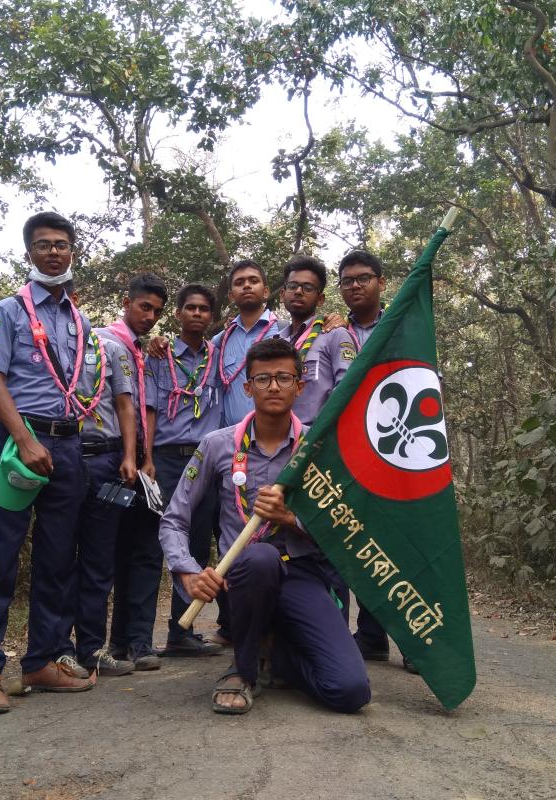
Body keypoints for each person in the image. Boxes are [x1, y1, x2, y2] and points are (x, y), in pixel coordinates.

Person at [158, 338, 371, 715]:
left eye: (284, 378)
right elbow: (174, 519)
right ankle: (243, 668)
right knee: (258, 558)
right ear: (247, 387)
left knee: (349, 690)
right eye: (263, 379)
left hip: (303, 573)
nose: (274, 386)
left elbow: (346, 528)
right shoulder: (218, 445)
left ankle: (276, 655)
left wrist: (291, 519)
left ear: (300, 386)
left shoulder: (318, 449)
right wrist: (188, 572)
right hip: (241, 578)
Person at [0, 211, 94, 714]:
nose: (53, 252)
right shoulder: (9, 310)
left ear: (71, 252)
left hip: (68, 446)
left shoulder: (78, 319)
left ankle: (42, 660)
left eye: (62, 245)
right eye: (43, 245)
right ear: (29, 252)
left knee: (58, 560)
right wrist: (22, 438)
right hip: (21, 444)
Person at [337, 250, 415, 675]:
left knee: (400, 546)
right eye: (347, 280)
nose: (354, 286)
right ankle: (370, 636)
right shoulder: (332, 332)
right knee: (360, 544)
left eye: (363, 278)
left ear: (381, 282)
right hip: (350, 454)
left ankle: (414, 641)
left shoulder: (405, 326)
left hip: (397, 451)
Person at [58, 309, 140, 679]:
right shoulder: (52, 352)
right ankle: (58, 649)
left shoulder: (111, 349)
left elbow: (125, 404)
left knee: (98, 558)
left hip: (106, 462)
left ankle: (92, 648)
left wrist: (129, 455)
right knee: (59, 557)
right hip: (64, 460)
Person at [145, 284, 224, 657]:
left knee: (196, 543)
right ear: (177, 313)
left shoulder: (219, 356)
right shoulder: (159, 355)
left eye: (204, 309)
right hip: (165, 456)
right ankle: (140, 639)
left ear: (211, 317)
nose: (197, 314)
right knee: (151, 544)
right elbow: (148, 410)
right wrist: (146, 458)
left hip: (204, 460)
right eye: (190, 308)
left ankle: (182, 632)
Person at [104, 274, 169, 671]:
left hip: (143, 464)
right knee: (112, 553)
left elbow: (148, 408)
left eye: (157, 312)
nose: (150, 316)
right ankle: (111, 642)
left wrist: (146, 457)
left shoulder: (146, 352)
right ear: (126, 302)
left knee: (146, 551)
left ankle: (140, 641)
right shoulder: (105, 341)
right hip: (108, 457)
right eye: (144, 307)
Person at [277, 254, 357, 424]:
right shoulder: (276, 342)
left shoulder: (334, 334)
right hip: (279, 440)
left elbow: (347, 388)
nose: (298, 291)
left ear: (320, 299)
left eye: (308, 287)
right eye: (293, 286)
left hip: (317, 439)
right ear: (283, 294)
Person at [212, 259, 283, 426]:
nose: (246, 286)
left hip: (276, 438)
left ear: (265, 291)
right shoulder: (220, 341)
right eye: (239, 282)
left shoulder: (285, 332)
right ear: (231, 296)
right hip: (231, 440)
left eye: (253, 281)